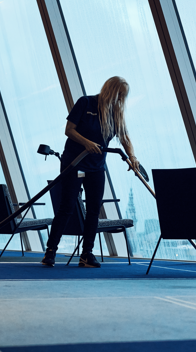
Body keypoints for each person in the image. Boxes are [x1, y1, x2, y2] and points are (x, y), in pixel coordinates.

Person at [41, 76, 139, 267]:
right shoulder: (85, 102)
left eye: (123, 97)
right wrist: (87, 143)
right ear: (111, 91)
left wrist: (132, 157)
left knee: (94, 209)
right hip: (75, 164)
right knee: (67, 206)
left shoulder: (115, 113)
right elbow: (69, 130)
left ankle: (87, 254)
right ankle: (50, 251)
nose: (120, 100)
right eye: (119, 95)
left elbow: (125, 138)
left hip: (96, 167)